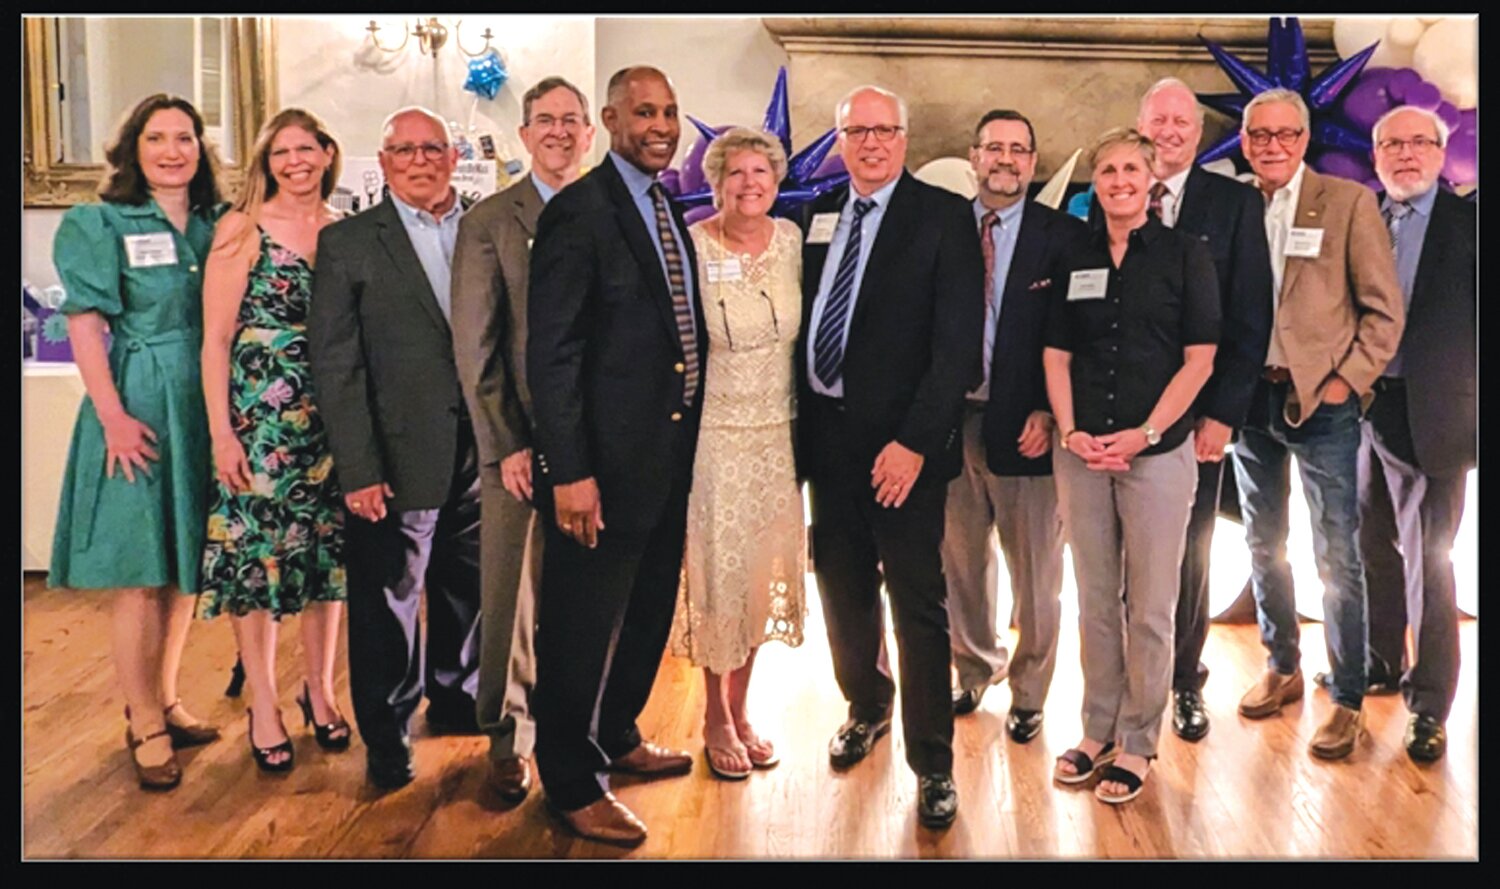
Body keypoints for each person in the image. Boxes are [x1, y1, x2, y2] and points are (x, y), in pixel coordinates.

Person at [798, 85, 984, 829]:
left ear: (904, 138)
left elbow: (956, 349)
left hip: (902, 444)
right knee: (840, 585)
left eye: (884, 130)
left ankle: (933, 762)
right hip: (825, 441)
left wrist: (912, 442)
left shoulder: (942, 219)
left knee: (916, 602)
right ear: (839, 139)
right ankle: (866, 704)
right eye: (857, 130)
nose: (870, 143)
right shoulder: (814, 214)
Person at [527, 65, 703, 846]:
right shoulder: (579, 213)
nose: (660, 125)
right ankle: (568, 779)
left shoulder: (667, 204)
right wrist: (569, 471)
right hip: (597, 469)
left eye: (668, 111)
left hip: (667, 460)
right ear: (610, 120)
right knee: (578, 628)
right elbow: (553, 354)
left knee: (646, 615)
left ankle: (619, 732)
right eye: (643, 112)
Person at [48, 93, 224, 790]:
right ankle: (142, 719)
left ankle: (169, 697)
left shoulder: (216, 226)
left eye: (186, 137)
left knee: (186, 563)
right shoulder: (100, 223)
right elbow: (86, 325)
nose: (173, 150)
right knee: (140, 571)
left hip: (203, 404)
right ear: (133, 148)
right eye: (157, 138)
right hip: (139, 401)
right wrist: (113, 415)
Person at [308, 106, 483, 790]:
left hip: (476, 446)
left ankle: (457, 693)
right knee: (389, 600)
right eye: (404, 150)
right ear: (382, 163)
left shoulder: (481, 227)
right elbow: (336, 365)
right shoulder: (349, 242)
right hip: (391, 456)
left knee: (465, 585)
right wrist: (358, 467)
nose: (419, 159)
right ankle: (387, 732)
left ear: (451, 155)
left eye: (432, 147)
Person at [1046, 127, 1219, 805]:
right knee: (1093, 600)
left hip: (1157, 454)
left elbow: (1200, 358)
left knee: (1150, 605)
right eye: (1108, 169)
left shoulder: (1185, 255)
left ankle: (1140, 740)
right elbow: (1055, 355)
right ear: (1097, 182)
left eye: (1131, 169)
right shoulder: (1072, 255)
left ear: (1152, 180)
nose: (1120, 179)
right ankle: (1098, 729)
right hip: (1084, 454)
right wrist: (1070, 430)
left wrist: (1145, 433)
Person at [1231, 89, 1404, 760]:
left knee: (1337, 552)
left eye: (1284, 133)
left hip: (1323, 403)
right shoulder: (1237, 205)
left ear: (1304, 139)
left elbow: (1383, 312)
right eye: (1259, 134)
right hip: (1251, 402)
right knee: (1260, 540)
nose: (1271, 144)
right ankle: (1282, 663)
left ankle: (1351, 697)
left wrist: (1344, 382)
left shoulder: (1349, 202)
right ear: (1245, 142)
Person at [451, 76, 595, 803]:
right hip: (521, 441)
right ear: (525, 133)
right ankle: (508, 734)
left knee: (587, 596)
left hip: (598, 443)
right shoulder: (490, 221)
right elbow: (477, 348)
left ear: (591, 132)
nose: (560, 132)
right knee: (514, 593)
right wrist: (506, 440)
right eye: (547, 120)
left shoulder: (609, 210)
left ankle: (583, 726)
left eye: (572, 120)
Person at [199, 108, 349, 772]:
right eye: (281, 151)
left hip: (331, 421)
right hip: (260, 423)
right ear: (267, 161)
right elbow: (215, 342)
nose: (295, 161)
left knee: (325, 563)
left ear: (326, 153)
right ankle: (263, 700)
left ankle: (319, 687)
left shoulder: (344, 230)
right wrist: (221, 435)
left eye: (305, 148)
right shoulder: (242, 228)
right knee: (258, 561)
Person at [1133, 78, 1274, 742]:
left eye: (1181, 121)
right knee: (1126, 552)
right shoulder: (1112, 190)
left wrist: (1224, 415)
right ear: (1139, 126)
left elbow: (1251, 316)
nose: (1169, 131)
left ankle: (1184, 680)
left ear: (1198, 131)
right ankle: (1131, 680)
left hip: (1195, 420)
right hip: (1116, 416)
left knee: (1190, 552)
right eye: (1157, 119)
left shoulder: (1233, 204)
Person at [942, 110, 1083, 744]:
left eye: (1018, 149)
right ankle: (973, 666)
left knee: (1037, 575)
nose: (1006, 159)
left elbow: (1081, 334)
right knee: (962, 564)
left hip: (1030, 425)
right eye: (994, 148)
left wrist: (1052, 412)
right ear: (974, 157)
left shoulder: (1066, 236)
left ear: (1033, 160)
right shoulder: (944, 229)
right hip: (951, 422)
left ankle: (1030, 692)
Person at [668, 127, 805, 779]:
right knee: (720, 579)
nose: (750, 184)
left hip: (777, 437)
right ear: (716, 183)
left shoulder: (794, 243)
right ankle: (712, 715)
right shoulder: (691, 248)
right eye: (736, 174)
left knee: (759, 577)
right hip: (714, 439)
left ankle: (744, 708)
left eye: (761, 173)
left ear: (776, 182)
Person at [1355, 105, 1474, 763]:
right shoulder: (1361, 216)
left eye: (1418, 142)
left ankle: (1430, 703)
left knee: (1431, 561)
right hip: (1360, 407)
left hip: (1435, 414)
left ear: (1440, 151)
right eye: (1390, 143)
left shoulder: (1470, 223)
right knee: (1368, 539)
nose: (1404, 153)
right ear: (1375, 156)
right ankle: (1378, 659)